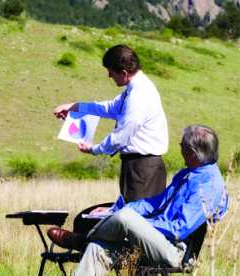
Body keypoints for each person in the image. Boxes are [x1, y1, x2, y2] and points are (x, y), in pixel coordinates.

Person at [49, 125, 229, 276]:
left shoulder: (209, 185)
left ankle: (81, 239)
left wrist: (138, 223)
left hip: (175, 250)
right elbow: (154, 203)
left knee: (126, 218)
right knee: (97, 248)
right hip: (156, 241)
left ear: (192, 152)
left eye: (181, 144)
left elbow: (178, 228)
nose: (179, 146)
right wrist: (115, 210)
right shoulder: (187, 174)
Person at [52, 44, 169, 203]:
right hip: (140, 167)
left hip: (142, 169)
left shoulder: (139, 95)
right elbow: (108, 108)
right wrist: (74, 106)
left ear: (124, 73)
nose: (109, 76)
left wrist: (94, 149)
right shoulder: (135, 89)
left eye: (111, 72)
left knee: (136, 222)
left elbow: (122, 135)